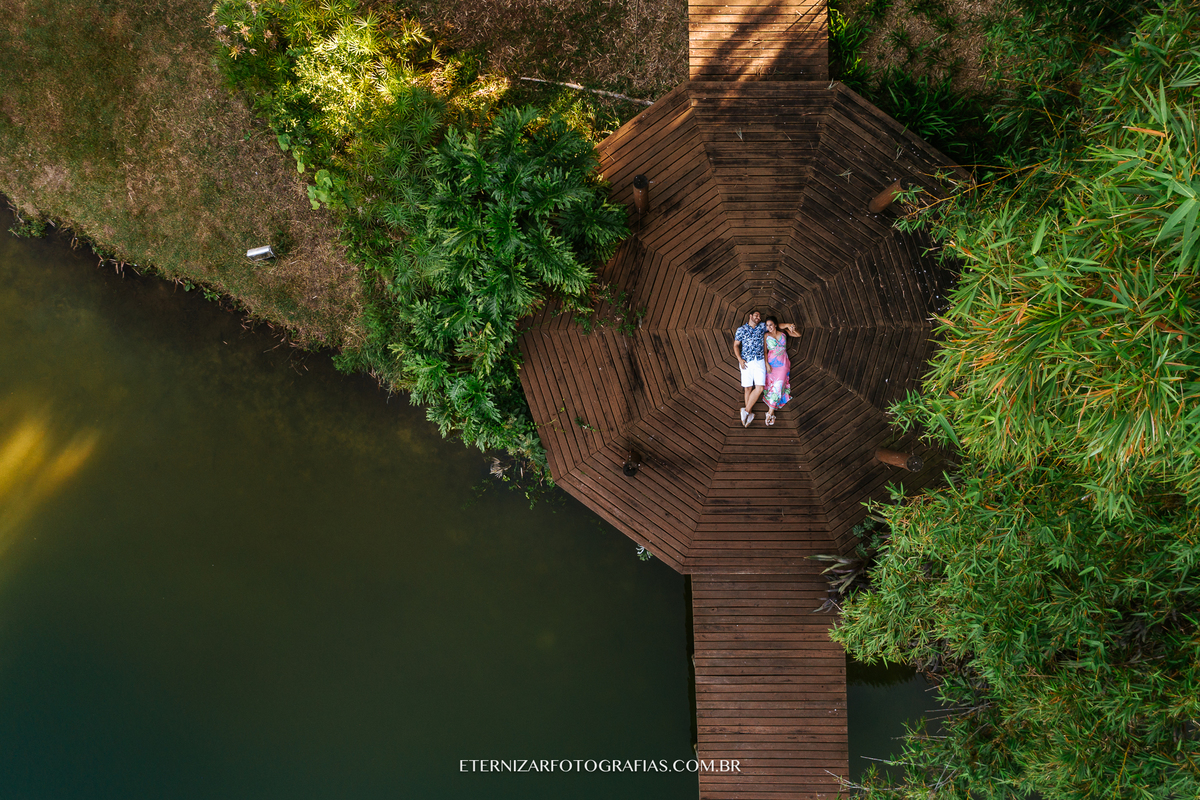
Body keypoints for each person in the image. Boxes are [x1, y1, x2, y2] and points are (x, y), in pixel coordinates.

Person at [733, 310, 798, 426]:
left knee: (760, 388)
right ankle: (749, 414)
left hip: (759, 361)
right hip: (745, 361)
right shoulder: (741, 330)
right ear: (750, 316)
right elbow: (736, 345)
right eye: (756, 315)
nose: (758, 317)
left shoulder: (763, 327)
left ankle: (746, 411)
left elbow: (778, 326)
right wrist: (739, 359)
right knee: (747, 388)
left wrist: (788, 325)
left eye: (759, 316)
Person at [762, 317, 799, 426]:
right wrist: (766, 364)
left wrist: (790, 326)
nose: (769, 327)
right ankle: (771, 412)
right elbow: (764, 351)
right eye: (767, 325)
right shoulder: (766, 336)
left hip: (783, 363)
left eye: (771, 325)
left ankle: (770, 412)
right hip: (771, 363)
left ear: (776, 325)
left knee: (778, 386)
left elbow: (797, 334)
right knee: (772, 387)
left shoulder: (783, 332)